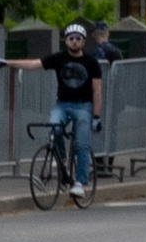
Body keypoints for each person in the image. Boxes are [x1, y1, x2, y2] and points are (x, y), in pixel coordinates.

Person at [30, 20, 103, 202]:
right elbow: (34, 64)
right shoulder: (60, 58)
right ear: (66, 41)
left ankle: (80, 183)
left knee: (81, 144)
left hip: (83, 106)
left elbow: (97, 90)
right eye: (71, 38)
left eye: (78, 38)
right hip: (62, 104)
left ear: (84, 41)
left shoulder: (91, 62)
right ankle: (62, 161)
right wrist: (8, 63)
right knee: (55, 127)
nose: (75, 41)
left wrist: (96, 115)